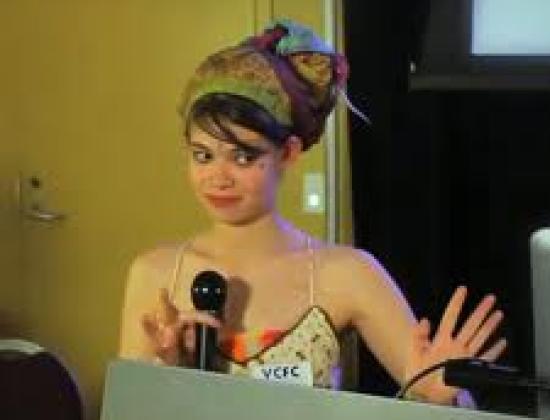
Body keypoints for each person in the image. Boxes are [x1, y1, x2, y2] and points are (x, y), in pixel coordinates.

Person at [118, 19, 506, 405]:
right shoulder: (155, 274)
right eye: (203, 156)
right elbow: (128, 409)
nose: (218, 178)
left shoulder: (347, 273)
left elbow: (445, 397)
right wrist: (166, 374)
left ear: (288, 152)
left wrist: (440, 397)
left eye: (243, 156)